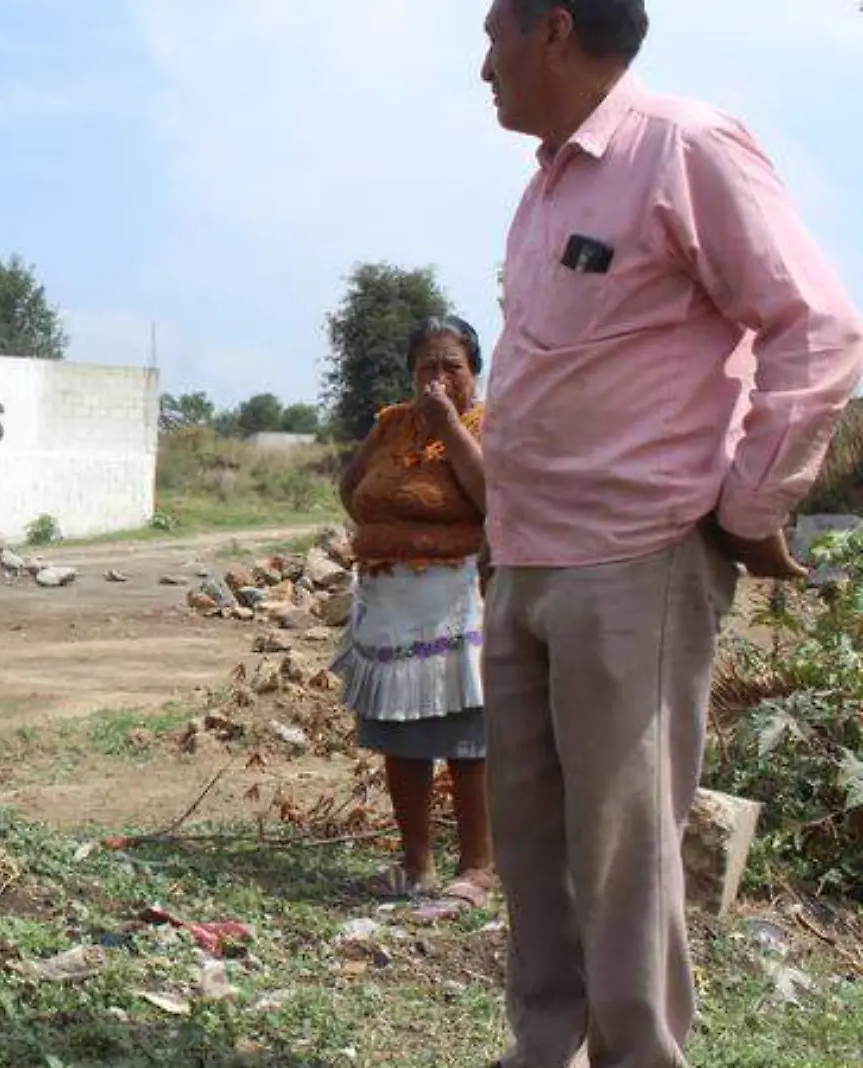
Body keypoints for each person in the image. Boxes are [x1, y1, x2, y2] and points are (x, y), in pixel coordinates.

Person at [477, 2, 863, 1066]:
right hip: (526, 560)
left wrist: (748, 508)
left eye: (492, 35)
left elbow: (816, 328)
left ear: (552, 29)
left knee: (624, 855)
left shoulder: (682, 146)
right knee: (534, 844)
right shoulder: (546, 185)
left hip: (633, 559)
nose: (482, 67)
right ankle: (543, 1048)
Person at [333, 315, 495, 908]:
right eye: (426, 364)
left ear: (473, 371)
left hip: (457, 605)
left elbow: (491, 496)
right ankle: (415, 862)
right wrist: (388, 534)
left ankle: (478, 867)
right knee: (401, 737)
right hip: (389, 603)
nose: (437, 376)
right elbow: (352, 489)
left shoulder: (486, 423)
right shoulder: (390, 425)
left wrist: (449, 427)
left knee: (466, 738)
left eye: (451, 364)